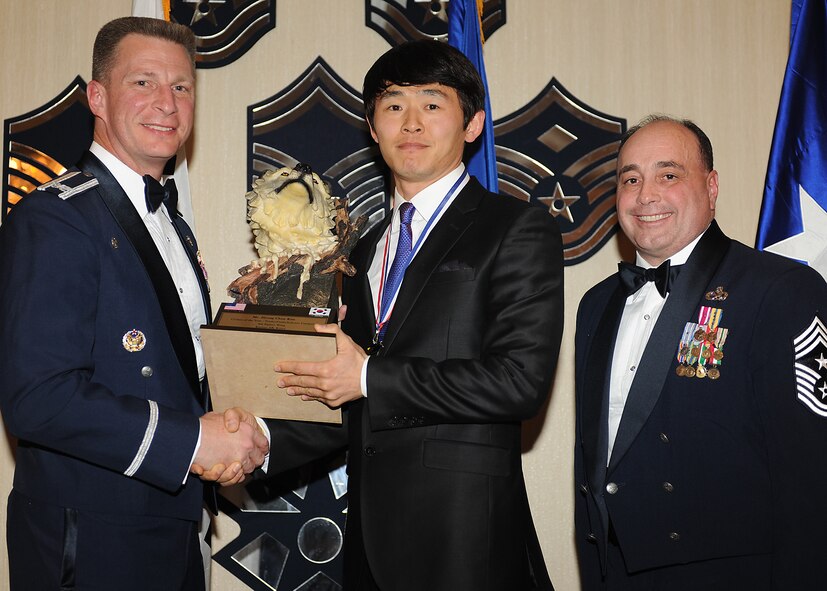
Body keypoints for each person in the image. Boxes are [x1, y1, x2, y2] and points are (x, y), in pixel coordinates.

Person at [240, 39, 563, 590]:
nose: (411, 122)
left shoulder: (514, 227)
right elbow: (348, 397)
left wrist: (369, 375)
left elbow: (519, 382)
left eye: (432, 104)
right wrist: (260, 440)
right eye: (393, 106)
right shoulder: (362, 250)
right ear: (372, 127)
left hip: (466, 539)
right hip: (370, 541)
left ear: (473, 124)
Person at [0, 17, 267, 590]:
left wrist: (247, 421)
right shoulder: (57, 218)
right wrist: (193, 442)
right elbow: (37, 398)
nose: (166, 103)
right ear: (97, 97)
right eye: (143, 82)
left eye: (181, 87)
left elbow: (180, 376)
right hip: (92, 537)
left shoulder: (174, 225)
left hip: (173, 526)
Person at [574, 115, 827, 590]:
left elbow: (812, 477)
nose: (645, 195)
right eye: (631, 179)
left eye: (668, 175)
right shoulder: (596, 304)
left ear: (711, 187)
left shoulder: (781, 289)